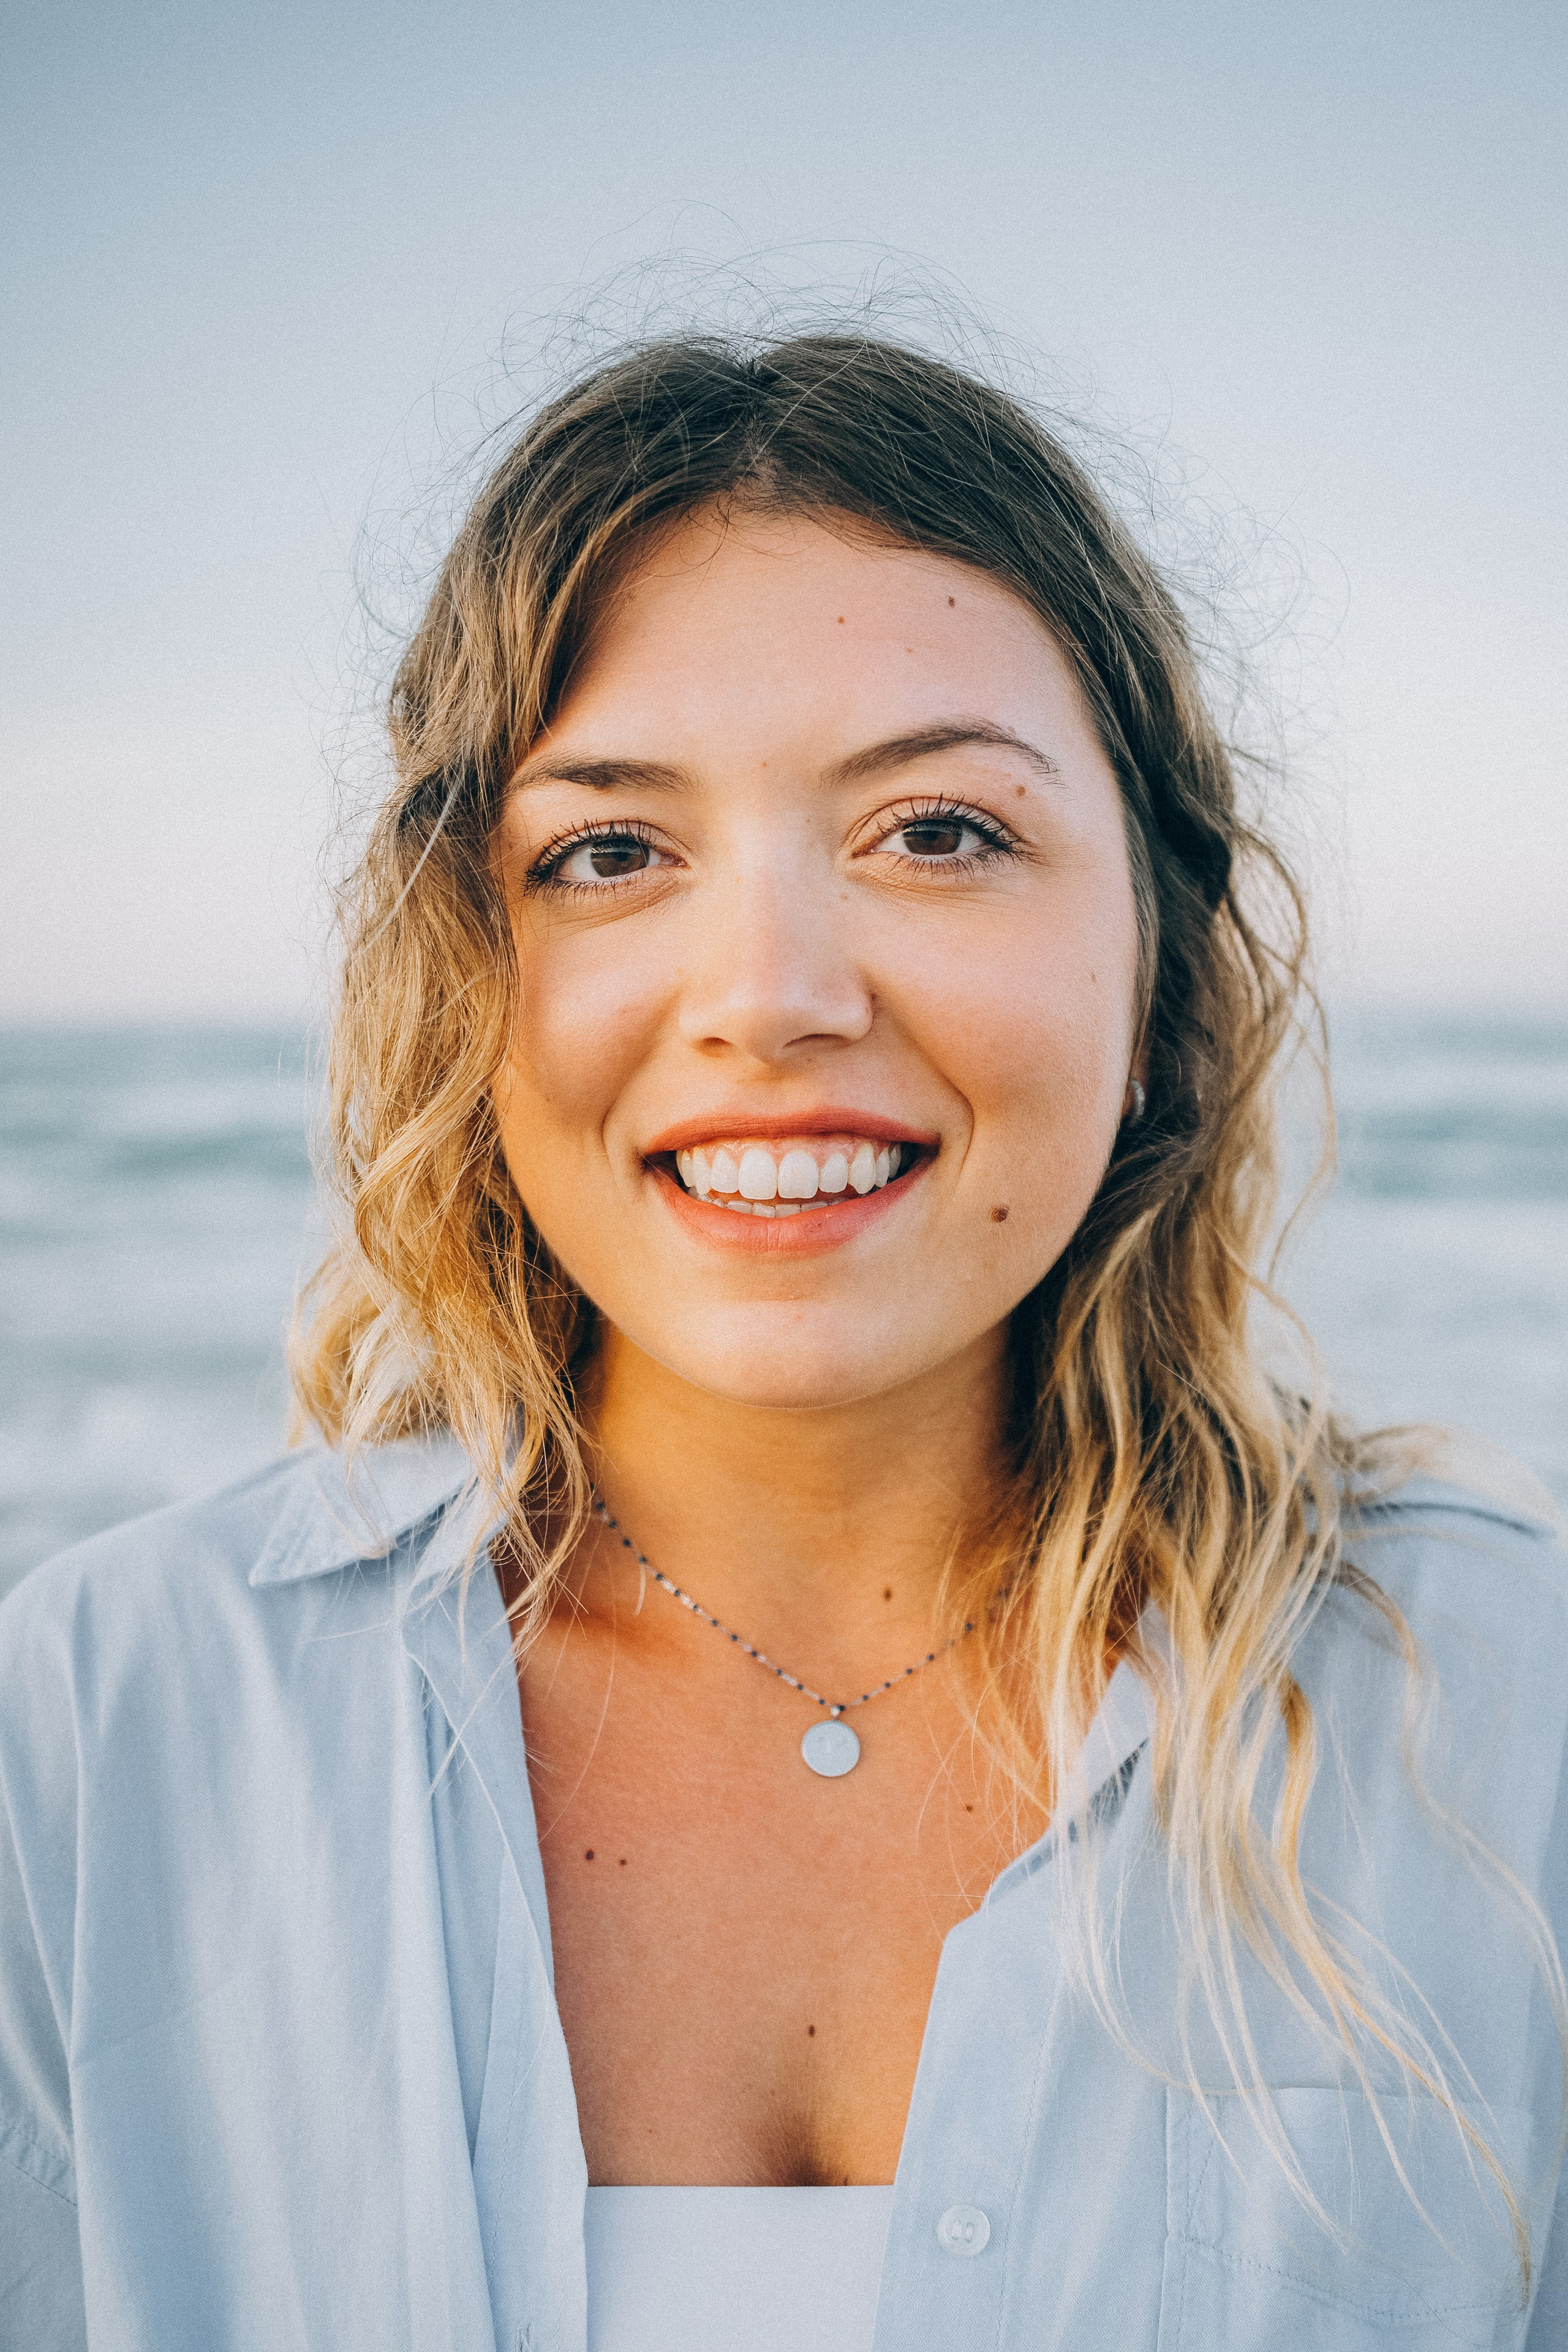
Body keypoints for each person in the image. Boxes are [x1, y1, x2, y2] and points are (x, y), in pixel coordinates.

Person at [2, 331, 1565, 2352]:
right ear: (466, 968)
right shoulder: (108, 1733)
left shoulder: (1501, 1721)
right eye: (609, 852)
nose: (769, 996)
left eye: (937, 831)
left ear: (1161, 938)